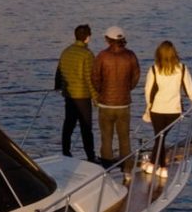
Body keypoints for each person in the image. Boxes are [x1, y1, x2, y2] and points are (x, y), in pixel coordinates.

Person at [142, 39, 192, 177]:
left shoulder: (154, 69)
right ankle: (161, 167)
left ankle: (153, 165)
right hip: (174, 111)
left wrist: (148, 108)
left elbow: (148, 91)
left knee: (159, 137)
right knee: (161, 137)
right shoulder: (182, 69)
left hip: (157, 109)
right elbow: (189, 90)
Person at [93, 25, 141, 168]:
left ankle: (107, 168)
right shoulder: (130, 55)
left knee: (106, 138)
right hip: (124, 104)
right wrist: (126, 89)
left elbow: (95, 77)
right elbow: (136, 76)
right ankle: (127, 169)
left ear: (108, 39)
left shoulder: (102, 56)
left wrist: (101, 91)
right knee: (124, 138)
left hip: (105, 104)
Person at [54, 23, 97, 163]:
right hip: (83, 96)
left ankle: (66, 152)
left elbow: (59, 71)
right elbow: (89, 78)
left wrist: (58, 86)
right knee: (86, 128)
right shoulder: (87, 54)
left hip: (69, 95)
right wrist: (95, 97)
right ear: (87, 38)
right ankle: (91, 156)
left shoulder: (66, 51)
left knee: (68, 125)